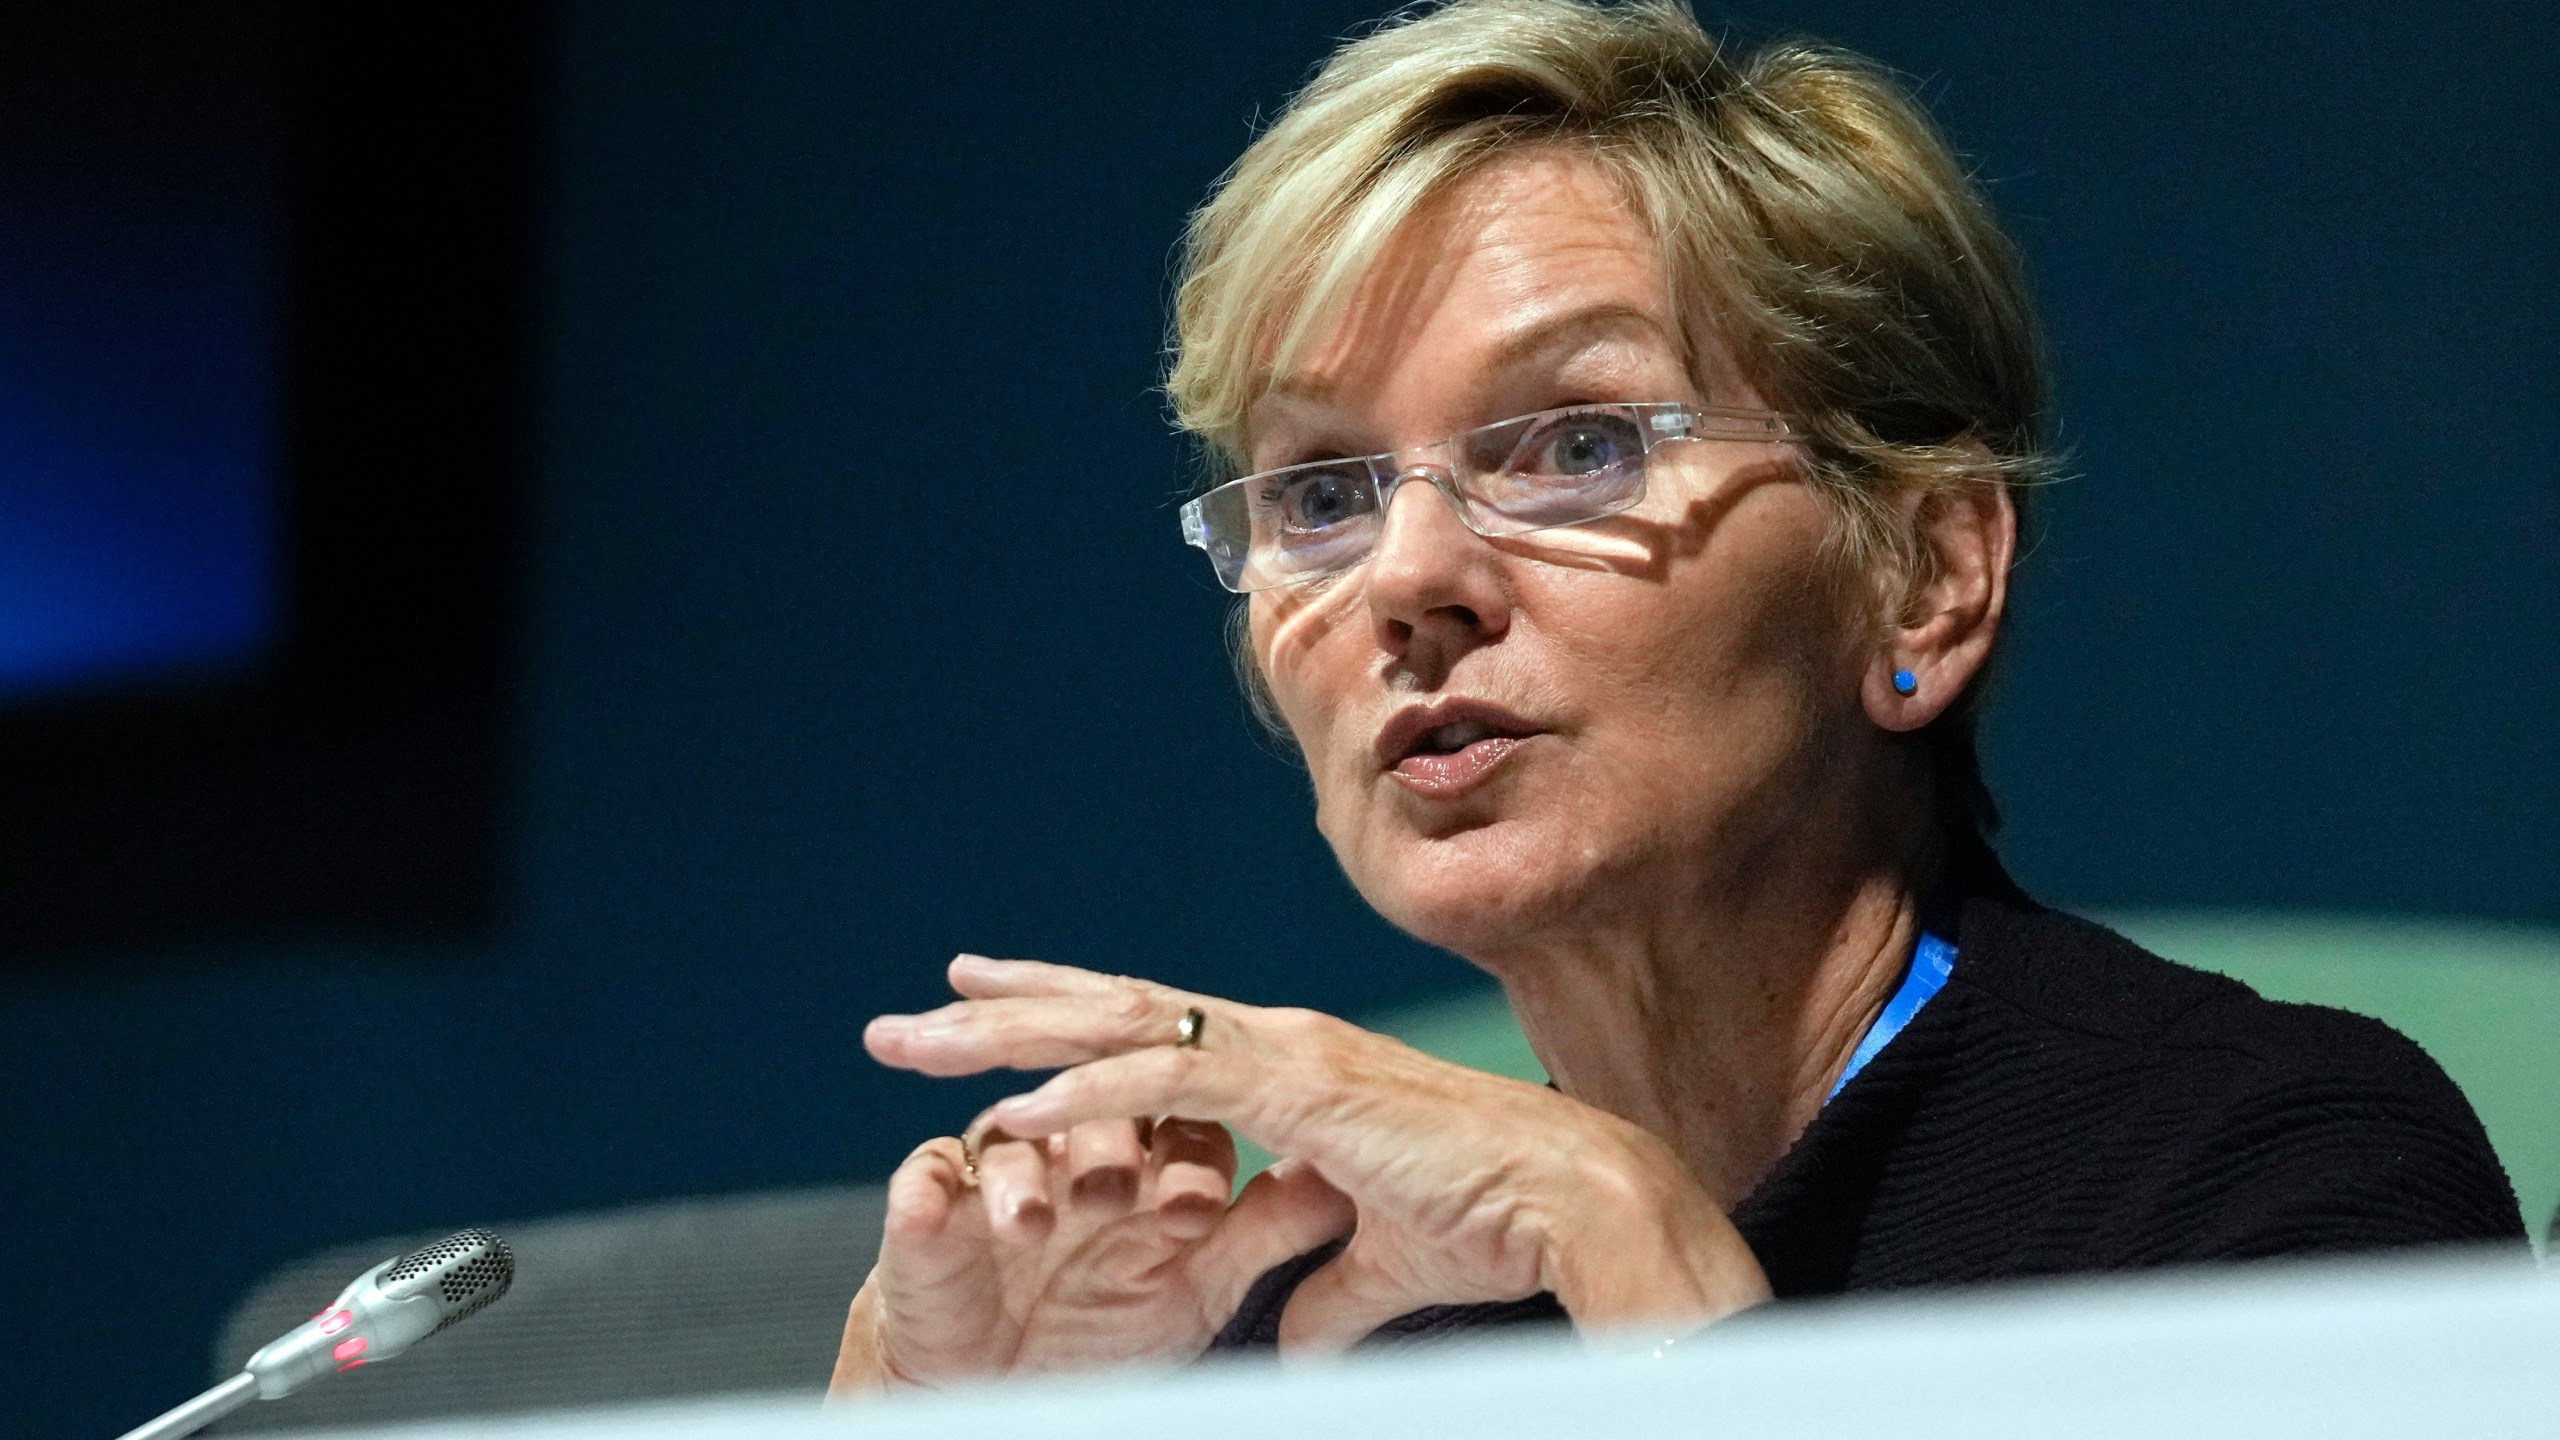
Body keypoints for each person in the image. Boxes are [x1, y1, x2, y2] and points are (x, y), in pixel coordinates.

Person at [830, 0, 2521, 1392]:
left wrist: (1633, 1247)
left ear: (1921, 574)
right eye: (1321, 492)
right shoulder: (1317, 1315)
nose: (1408, 578)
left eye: (1576, 443)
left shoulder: (2260, 1181)